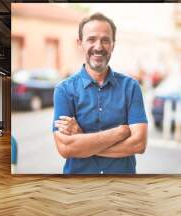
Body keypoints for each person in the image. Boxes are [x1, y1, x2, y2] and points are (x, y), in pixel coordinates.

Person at [52, 12, 148, 174]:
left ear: (113, 45)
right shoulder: (64, 90)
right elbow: (66, 147)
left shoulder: (131, 87)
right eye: (91, 39)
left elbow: (138, 144)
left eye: (105, 40)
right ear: (80, 43)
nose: (98, 47)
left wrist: (83, 141)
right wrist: (120, 132)